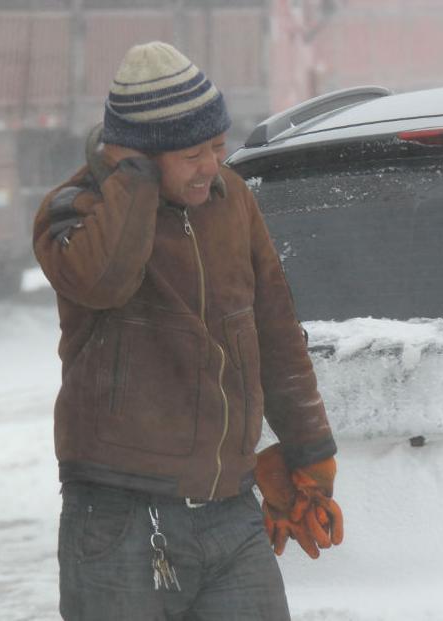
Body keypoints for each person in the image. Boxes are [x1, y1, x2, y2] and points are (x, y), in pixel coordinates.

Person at [33, 41, 343, 620]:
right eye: (192, 153)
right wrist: (133, 179)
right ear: (140, 156)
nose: (211, 166)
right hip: (119, 519)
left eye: (218, 146)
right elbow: (103, 281)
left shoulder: (233, 203)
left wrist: (310, 449)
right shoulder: (72, 212)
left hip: (231, 511)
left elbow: (275, 330)